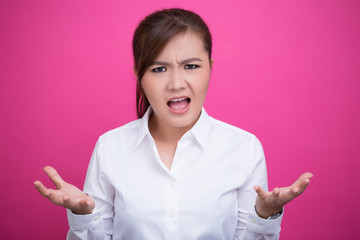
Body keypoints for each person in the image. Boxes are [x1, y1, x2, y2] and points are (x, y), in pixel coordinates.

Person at [34, 8, 313, 240]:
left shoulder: (244, 148)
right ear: (139, 76)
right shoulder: (111, 147)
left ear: (210, 68)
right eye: (159, 69)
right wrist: (84, 216)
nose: (177, 83)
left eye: (191, 66)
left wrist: (264, 217)